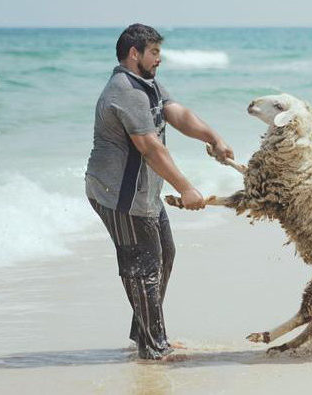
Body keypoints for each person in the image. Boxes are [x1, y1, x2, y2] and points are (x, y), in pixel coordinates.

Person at [84, 24, 234, 361]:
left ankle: (146, 333)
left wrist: (214, 138)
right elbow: (150, 148)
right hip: (118, 196)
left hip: (144, 193)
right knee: (144, 266)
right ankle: (153, 347)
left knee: (164, 255)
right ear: (134, 54)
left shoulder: (147, 83)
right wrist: (187, 189)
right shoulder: (125, 91)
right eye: (154, 53)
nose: (159, 60)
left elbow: (177, 113)